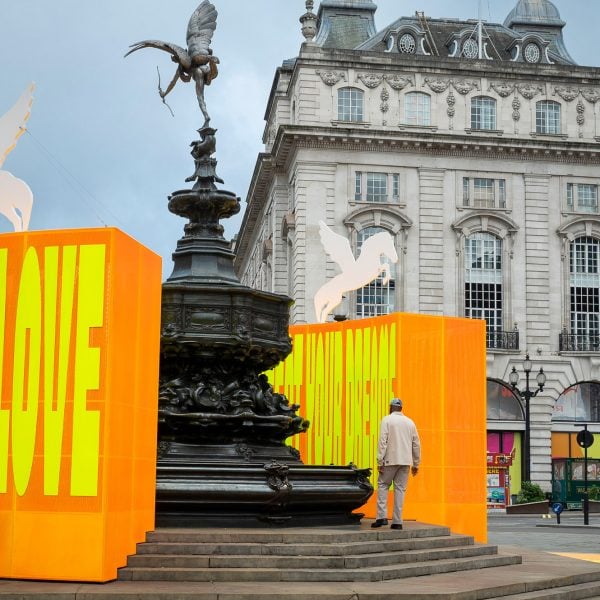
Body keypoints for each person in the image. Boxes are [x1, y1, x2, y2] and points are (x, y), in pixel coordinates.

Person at [371, 398, 421, 530]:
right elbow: (416, 444)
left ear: (391, 407)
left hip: (389, 460)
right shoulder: (410, 422)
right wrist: (416, 464)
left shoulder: (387, 419)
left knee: (383, 485)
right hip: (405, 462)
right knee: (400, 490)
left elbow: (383, 440)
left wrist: (380, 460)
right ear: (401, 408)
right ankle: (397, 522)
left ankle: (381, 517)